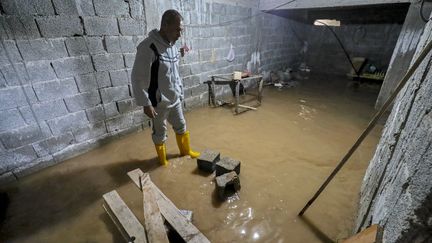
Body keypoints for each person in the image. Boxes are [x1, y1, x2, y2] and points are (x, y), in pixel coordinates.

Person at [131, 9, 200, 166]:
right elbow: (137, 78)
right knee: (160, 133)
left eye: (181, 30)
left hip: (174, 99)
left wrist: (180, 53)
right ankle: (162, 163)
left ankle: (186, 152)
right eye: (177, 30)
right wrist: (145, 103)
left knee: (181, 126)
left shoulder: (172, 45)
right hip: (158, 103)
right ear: (165, 25)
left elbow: (170, 69)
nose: (179, 34)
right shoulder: (148, 47)